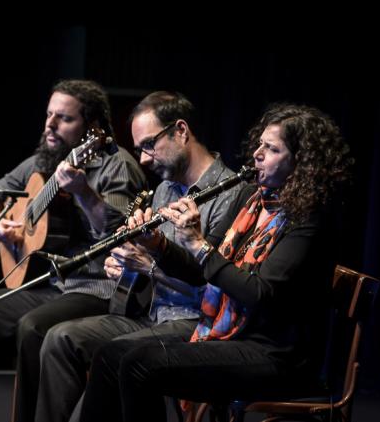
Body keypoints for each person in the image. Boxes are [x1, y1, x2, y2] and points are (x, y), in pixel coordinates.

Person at [78, 103, 353, 422]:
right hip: (234, 334)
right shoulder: (250, 200)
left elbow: (259, 294)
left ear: (301, 163)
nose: (258, 154)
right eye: (260, 144)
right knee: (110, 355)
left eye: (272, 148)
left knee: (140, 364)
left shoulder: (309, 220)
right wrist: (159, 244)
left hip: (276, 354)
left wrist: (198, 244)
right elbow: (199, 274)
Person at [0, 79, 148, 422]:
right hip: (53, 285)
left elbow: (119, 234)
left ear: (91, 128)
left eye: (64, 118)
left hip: (97, 287)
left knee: (33, 327)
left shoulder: (117, 165)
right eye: (49, 115)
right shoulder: (45, 160)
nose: (50, 125)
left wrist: (83, 192)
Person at [34, 91, 241, 422]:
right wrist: (126, 267)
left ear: (181, 131)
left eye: (149, 145)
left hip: (192, 321)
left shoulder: (230, 194)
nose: (144, 159)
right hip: (151, 314)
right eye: (139, 149)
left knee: (114, 357)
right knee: (60, 338)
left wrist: (151, 267)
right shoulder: (163, 189)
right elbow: (152, 264)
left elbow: (217, 286)